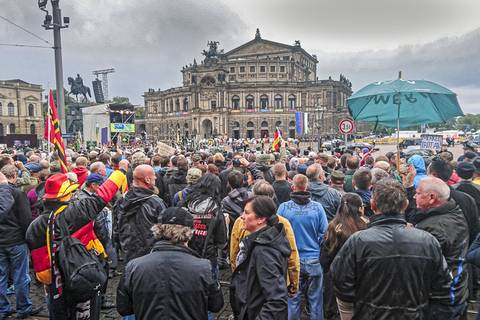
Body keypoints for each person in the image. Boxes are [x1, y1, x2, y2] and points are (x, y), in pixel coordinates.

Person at [331, 178, 451, 320]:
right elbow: (443, 287)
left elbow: (341, 282)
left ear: (373, 204)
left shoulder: (358, 241)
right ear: (405, 205)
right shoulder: (428, 241)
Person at [26, 160, 129, 319]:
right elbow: (103, 195)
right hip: (80, 278)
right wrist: (120, 172)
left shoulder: (33, 227)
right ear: (65, 195)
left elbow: (40, 270)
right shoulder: (76, 212)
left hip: (54, 287)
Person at [117, 207, 224, 320]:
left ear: (158, 230)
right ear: (190, 233)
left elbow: (124, 309)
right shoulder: (203, 267)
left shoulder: (134, 267)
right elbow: (216, 305)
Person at [230, 180, 300, 297]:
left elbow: (234, 252)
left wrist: (236, 275)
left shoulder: (241, 221)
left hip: (248, 282)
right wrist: (293, 283)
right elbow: (292, 254)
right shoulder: (283, 222)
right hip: (277, 282)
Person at [413, 177, 469, 319]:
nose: (414, 196)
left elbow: (422, 267)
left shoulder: (434, 228)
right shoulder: (451, 211)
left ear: (432, 197)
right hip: (456, 291)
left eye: (418, 193)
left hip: (441, 299)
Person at [277, 174, 328, 320]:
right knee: (316, 302)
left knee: (293, 301)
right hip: (313, 260)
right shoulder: (317, 208)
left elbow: (277, 233)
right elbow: (324, 234)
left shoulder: (283, 208)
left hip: (292, 261)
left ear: (293, 187)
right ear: (307, 187)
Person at [231, 196, 290, 320]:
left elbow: (277, 301)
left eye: (247, 213)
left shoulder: (264, 250)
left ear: (261, 219)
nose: (242, 216)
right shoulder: (261, 242)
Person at [0, 167, 42, 319]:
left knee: (1, 276)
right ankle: (23, 307)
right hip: (16, 241)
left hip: (3, 241)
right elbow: (26, 220)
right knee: (20, 276)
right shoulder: (17, 193)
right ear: (14, 176)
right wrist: (29, 240)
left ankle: (3, 308)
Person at [320, 193, 367, 320]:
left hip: (336, 279)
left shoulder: (334, 227)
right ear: (359, 208)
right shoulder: (366, 225)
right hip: (361, 279)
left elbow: (325, 258)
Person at [116, 165, 167, 264]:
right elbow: (164, 229)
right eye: (153, 176)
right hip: (151, 255)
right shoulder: (155, 202)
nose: (156, 178)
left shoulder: (122, 199)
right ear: (147, 180)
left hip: (129, 251)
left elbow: (116, 228)